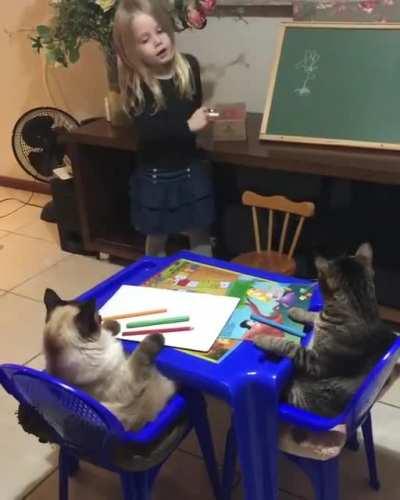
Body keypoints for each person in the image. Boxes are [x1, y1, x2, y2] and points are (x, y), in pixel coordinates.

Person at [113, 0, 215, 257]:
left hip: (190, 169)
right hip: (157, 176)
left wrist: (201, 120)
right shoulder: (136, 84)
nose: (158, 41)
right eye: (145, 39)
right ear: (130, 50)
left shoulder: (188, 66)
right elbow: (149, 132)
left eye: (159, 31)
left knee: (200, 233)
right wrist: (188, 126)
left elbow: (194, 107)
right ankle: (154, 289)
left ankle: (209, 291)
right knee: (157, 239)